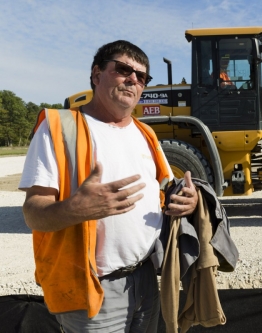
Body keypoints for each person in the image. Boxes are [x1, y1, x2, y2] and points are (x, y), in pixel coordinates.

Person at [19, 40, 198, 332]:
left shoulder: (146, 133)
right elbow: (33, 212)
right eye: (124, 69)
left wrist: (187, 202)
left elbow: (165, 192)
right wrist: (74, 209)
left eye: (142, 77)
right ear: (97, 74)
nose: (133, 79)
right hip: (92, 289)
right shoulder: (60, 127)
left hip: (146, 279)